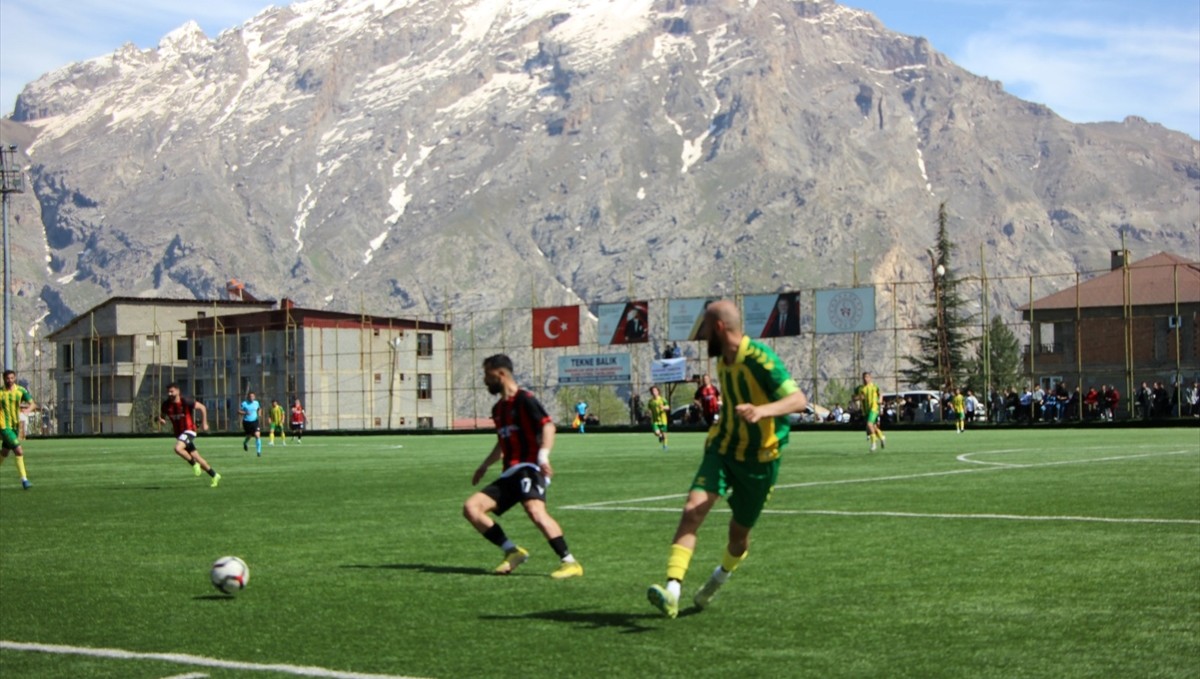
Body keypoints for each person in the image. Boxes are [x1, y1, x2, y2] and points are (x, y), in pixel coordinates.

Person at [647, 300, 808, 618]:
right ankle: (672, 591)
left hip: (761, 461)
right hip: (722, 449)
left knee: (738, 537)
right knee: (692, 511)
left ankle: (718, 579)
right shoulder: (722, 359)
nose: (702, 335)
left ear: (719, 328)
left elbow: (798, 399)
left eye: (705, 328)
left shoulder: (760, 358)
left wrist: (762, 410)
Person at [462, 354, 583, 579]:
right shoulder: (498, 409)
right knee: (471, 508)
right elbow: (502, 441)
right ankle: (512, 551)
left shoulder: (525, 399)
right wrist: (484, 465)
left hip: (529, 467)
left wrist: (543, 457)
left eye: (487, 375)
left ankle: (569, 562)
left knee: (535, 510)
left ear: (500, 374)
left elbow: (548, 427)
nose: (485, 381)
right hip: (510, 472)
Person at [159, 383, 221, 488]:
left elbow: (202, 407)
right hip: (179, 434)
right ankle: (214, 475)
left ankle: (194, 464)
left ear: (178, 391)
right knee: (197, 456)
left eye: (172, 391)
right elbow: (162, 416)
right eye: (168, 392)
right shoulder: (166, 404)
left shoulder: (186, 401)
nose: (169, 393)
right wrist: (162, 420)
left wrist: (204, 423)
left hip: (189, 430)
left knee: (178, 449)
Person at [0, 370, 35, 489]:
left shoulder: (20, 390)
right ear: (4, 379)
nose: (9, 380)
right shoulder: (0, 392)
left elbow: (32, 403)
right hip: (4, 426)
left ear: (14, 378)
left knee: (4, 452)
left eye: (11, 378)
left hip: (15, 426)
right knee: (19, 450)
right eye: (7, 378)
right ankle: (24, 480)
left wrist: (27, 410)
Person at [853, 372, 886, 451]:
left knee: (869, 424)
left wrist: (880, 399)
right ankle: (882, 437)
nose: (865, 379)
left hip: (874, 408)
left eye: (867, 377)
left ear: (870, 378)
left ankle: (873, 443)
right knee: (873, 427)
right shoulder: (859, 388)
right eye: (864, 377)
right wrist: (858, 397)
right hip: (865, 410)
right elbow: (854, 397)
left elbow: (880, 393)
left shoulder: (874, 386)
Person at [646, 385, 670, 450]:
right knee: (656, 433)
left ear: (658, 391)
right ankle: (660, 436)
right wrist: (648, 412)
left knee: (664, 434)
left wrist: (664, 407)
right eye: (652, 391)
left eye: (655, 391)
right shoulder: (650, 401)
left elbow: (668, 407)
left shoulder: (662, 399)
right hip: (655, 420)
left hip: (663, 420)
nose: (654, 392)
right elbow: (649, 409)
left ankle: (665, 446)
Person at [240, 391, 263, 455]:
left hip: (255, 421)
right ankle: (245, 443)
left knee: (257, 435)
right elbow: (239, 411)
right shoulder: (244, 403)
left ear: (254, 397)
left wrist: (259, 414)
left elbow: (259, 409)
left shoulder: (256, 403)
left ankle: (258, 451)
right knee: (249, 436)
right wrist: (245, 413)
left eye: (253, 396)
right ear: (248, 397)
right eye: (250, 396)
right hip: (247, 422)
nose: (251, 397)